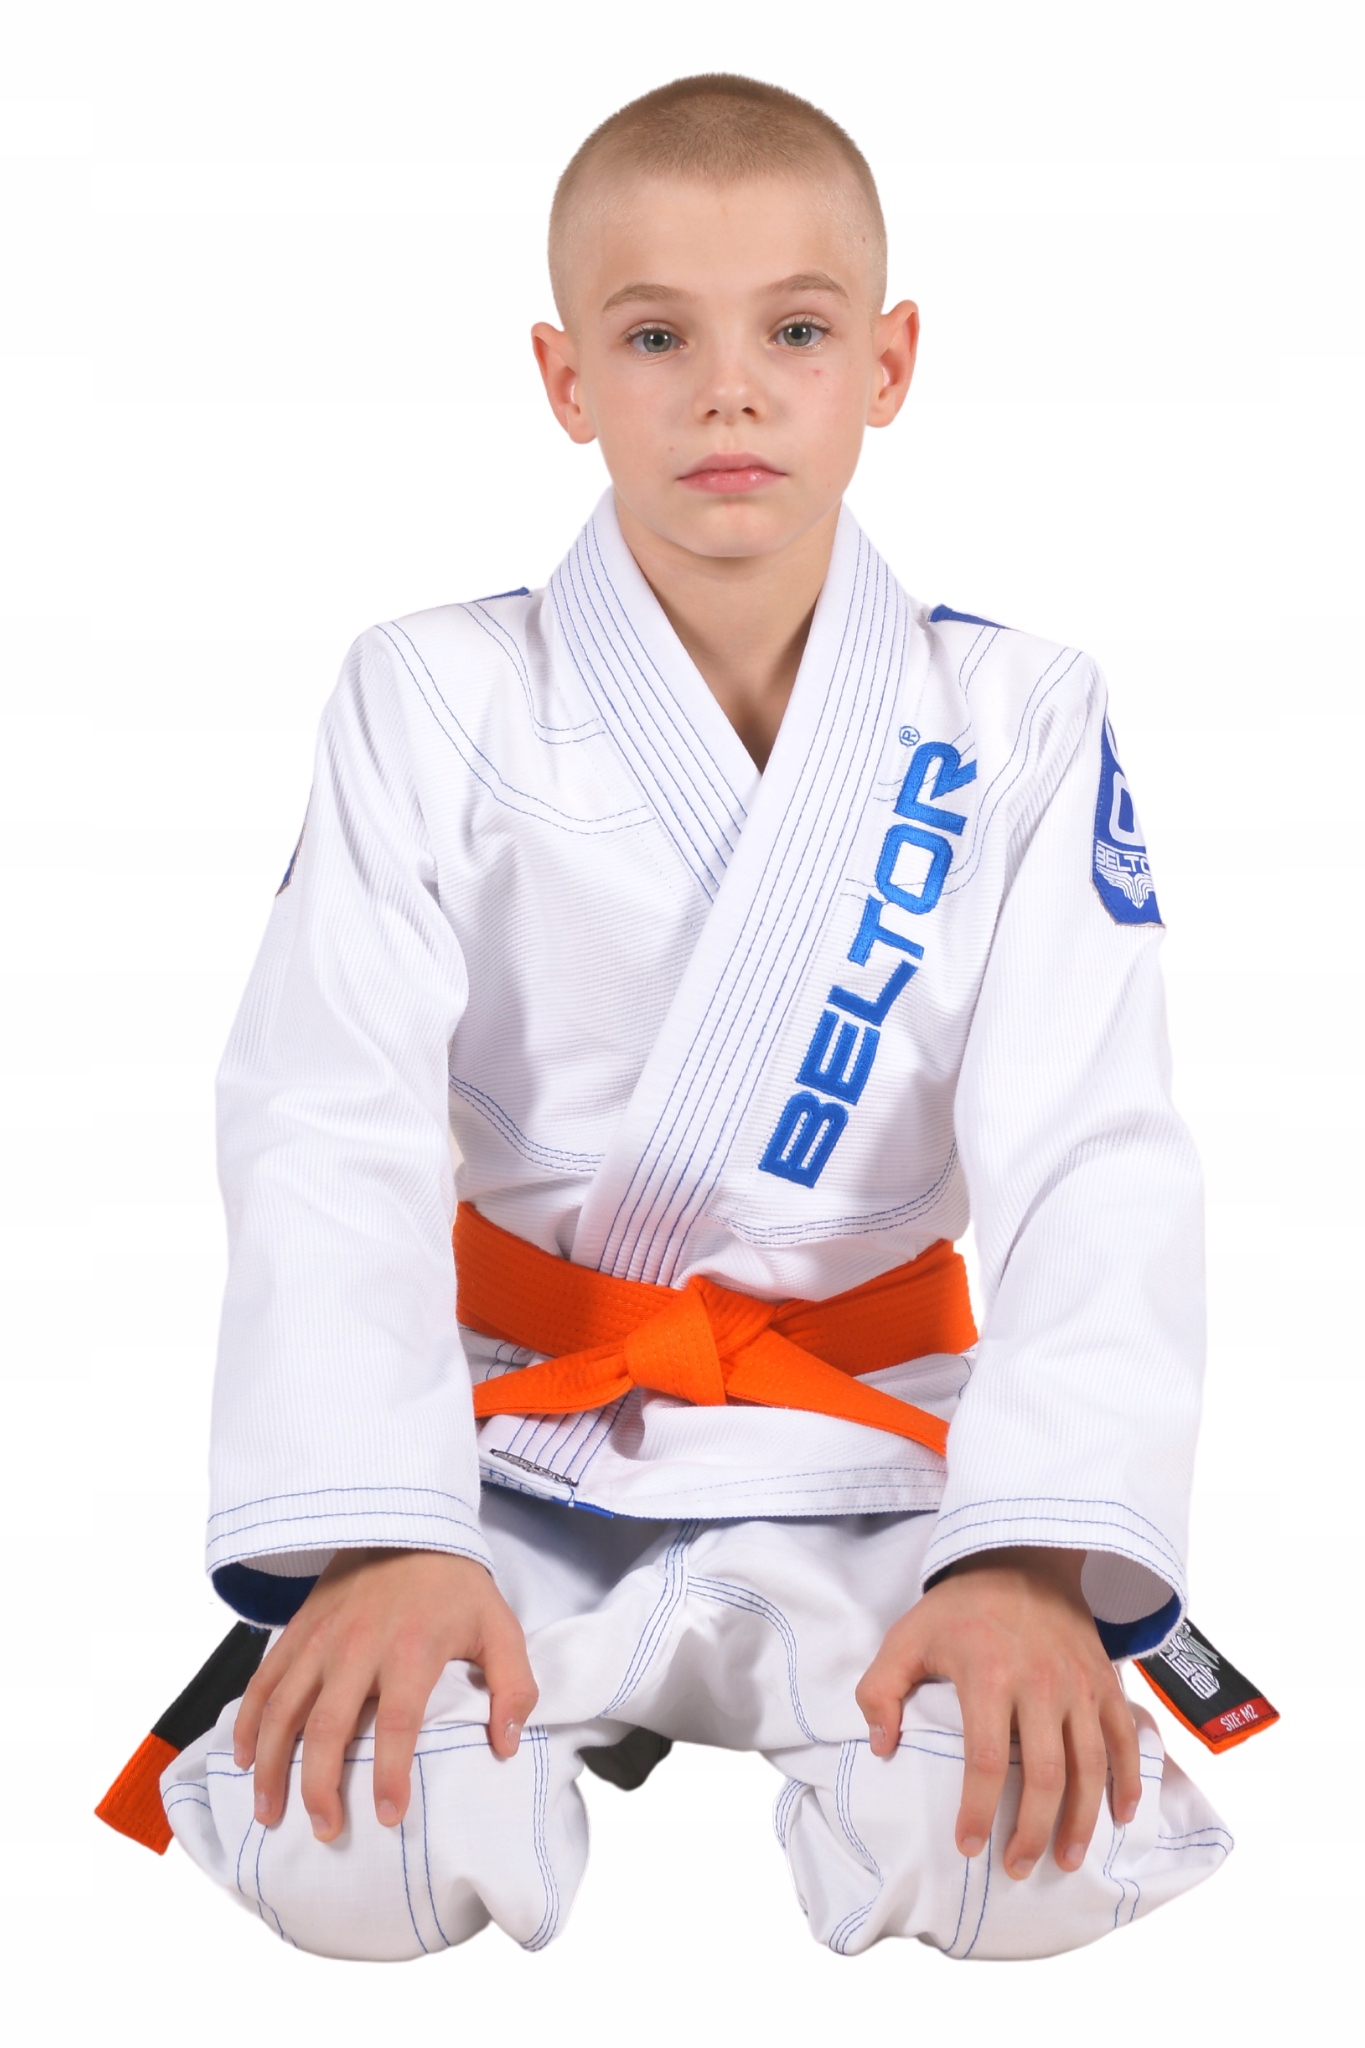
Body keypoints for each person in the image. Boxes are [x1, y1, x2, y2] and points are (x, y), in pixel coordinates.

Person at [158, 73, 1232, 1961]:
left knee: (1028, 1851)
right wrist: (386, 1531)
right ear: (565, 379)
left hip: (876, 1442)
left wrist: (1027, 1553)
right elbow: (326, 1118)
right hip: (508, 1444)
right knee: (349, 1850)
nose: (728, 393)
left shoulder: (1017, 718)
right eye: (656, 337)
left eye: (794, 333)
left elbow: (1095, 1153)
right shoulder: (433, 692)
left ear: (886, 364)